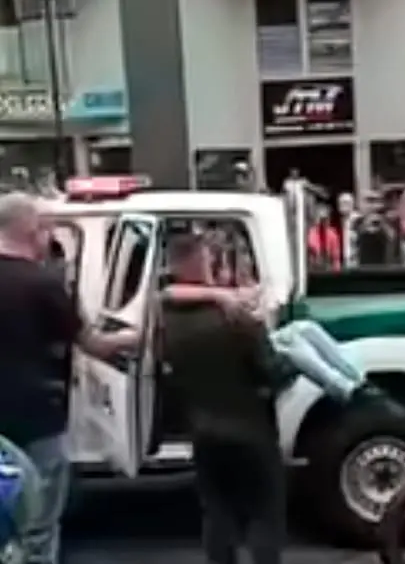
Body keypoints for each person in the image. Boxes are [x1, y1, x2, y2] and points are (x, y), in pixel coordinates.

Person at [0, 191, 138, 564]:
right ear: (32, 230)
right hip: (36, 419)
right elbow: (93, 345)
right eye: (48, 231)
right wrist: (136, 336)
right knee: (39, 524)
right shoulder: (43, 284)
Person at [161, 233, 285, 564]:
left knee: (217, 513)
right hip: (251, 429)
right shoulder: (238, 319)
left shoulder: (166, 319)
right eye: (208, 258)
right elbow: (270, 371)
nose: (213, 264)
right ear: (198, 262)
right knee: (264, 514)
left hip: (203, 429)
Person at [163, 245, 367, 403]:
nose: (208, 262)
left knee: (305, 328)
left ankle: (357, 377)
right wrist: (223, 296)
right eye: (204, 258)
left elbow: (241, 302)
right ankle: (341, 388)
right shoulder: (176, 291)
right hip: (238, 353)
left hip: (249, 341)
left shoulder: (206, 289)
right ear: (186, 264)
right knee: (295, 347)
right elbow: (168, 294)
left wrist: (246, 298)